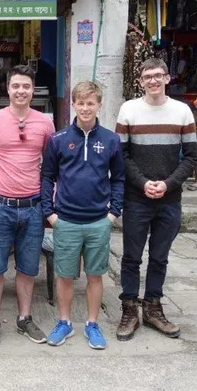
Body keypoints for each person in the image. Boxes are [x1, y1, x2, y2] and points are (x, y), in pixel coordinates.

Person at [114, 58, 197, 342]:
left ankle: (152, 307)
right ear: (140, 81)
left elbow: (191, 157)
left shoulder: (182, 111)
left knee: (160, 257)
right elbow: (121, 155)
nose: (153, 81)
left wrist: (168, 184)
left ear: (167, 78)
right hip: (136, 198)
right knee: (131, 257)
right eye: (147, 76)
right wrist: (142, 182)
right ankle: (129, 309)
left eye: (158, 75)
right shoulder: (129, 110)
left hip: (170, 198)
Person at [41, 81, 125, 349]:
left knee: (95, 275)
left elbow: (119, 179)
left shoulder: (111, 140)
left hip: (98, 221)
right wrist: (50, 214)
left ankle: (92, 323)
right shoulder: (58, 139)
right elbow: (46, 177)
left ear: (99, 105)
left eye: (91, 103)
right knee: (64, 275)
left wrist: (113, 213)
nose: (86, 108)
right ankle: (64, 322)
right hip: (65, 220)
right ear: (73, 104)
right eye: (81, 103)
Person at [0, 64, 55, 349]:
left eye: (26, 86)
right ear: (8, 89)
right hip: (0, 205)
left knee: (27, 267)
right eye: (16, 86)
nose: (21, 91)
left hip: (33, 206)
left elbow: (49, 165)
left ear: (32, 89)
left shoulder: (45, 123)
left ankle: (25, 317)